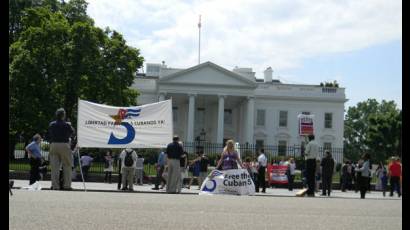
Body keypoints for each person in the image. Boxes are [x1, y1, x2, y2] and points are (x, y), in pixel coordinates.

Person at [46, 108, 75, 190]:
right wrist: (70, 124)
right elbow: (73, 133)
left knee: (54, 167)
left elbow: (47, 135)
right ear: (63, 115)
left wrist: (51, 141)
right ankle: (67, 185)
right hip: (64, 145)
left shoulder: (52, 124)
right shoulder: (67, 125)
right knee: (67, 166)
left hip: (54, 144)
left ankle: (55, 186)